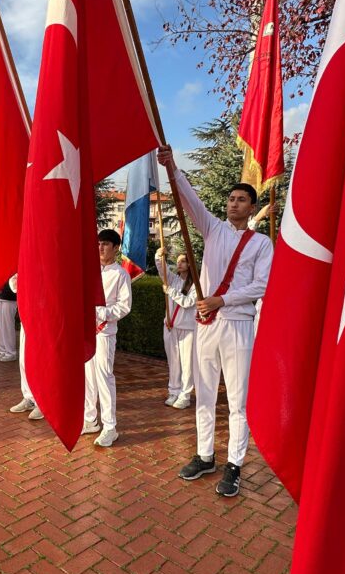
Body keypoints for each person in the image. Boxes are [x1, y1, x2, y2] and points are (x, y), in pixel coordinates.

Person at [159, 147, 273, 497]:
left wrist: (223, 298)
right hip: (207, 325)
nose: (234, 203)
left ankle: (235, 464)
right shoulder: (213, 230)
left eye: (241, 200)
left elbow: (263, 284)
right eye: (231, 199)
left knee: (237, 400)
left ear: (252, 207)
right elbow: (190, 201)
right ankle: (205, 454)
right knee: (205, 395)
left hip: (237, 323)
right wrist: (173, 167)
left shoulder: (262, 243)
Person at [82, 230, 133, 448]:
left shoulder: (120, 274)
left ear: (115, 247)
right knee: (88, 378)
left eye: (105, 244)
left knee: (104, 377)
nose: (100, 248)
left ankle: (110, 427)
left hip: (104, 332)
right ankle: (90, 419)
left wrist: (101, 313)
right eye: (98, 243)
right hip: (86, 331)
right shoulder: (89, 271)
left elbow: (124, 306)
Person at [155, 248, 196, 409]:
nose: (179, 264)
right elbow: (161, 269)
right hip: (170, 327)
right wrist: (159, 255)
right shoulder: (173, 279)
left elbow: (187, 302)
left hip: (187, 329)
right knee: (173, 362)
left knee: (187, 363)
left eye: (183, 261)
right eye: (178, 261)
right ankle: (174, 391)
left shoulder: (195, 285)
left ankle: (185, 395)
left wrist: (170, 291)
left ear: (190, 264)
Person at [6, 274, 42, 419]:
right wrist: (17, 280)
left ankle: (42, 402)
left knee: (38, 362)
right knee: (24, 360)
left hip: (41, 316)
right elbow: (14, 284)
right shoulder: (25, 262)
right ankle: (29, 397)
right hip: (26, 314)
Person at [0, 281, 18, 362]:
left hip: (10, 295)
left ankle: (11, 353)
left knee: (7, 325)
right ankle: (3, 350)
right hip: (2, 293)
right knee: (1, 325)